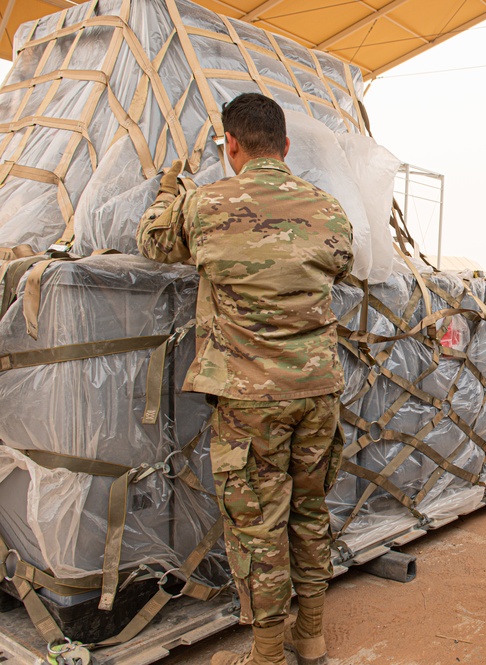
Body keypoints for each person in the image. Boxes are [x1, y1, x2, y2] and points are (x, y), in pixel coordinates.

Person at [136, 93, 353, 665]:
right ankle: (311, 636)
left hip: (249, 400)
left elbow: (154, 243)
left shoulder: (207, 204)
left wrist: (167, 194)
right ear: (285, 146)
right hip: (318, 393)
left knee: (258, 525)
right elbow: (343, 264)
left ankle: (267, 652)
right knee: (310, 513)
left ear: (230, 145)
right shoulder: (328, 208)